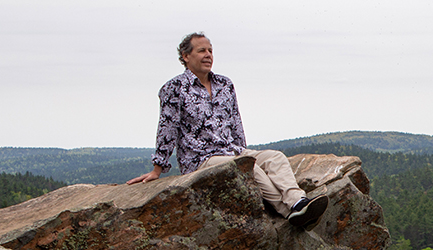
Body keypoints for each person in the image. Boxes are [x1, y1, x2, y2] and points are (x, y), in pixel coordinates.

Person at [127, 32, 328, 230]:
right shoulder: (175, 88)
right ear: (186, 56)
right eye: (201, 50)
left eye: (210, 50)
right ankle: (289, 212)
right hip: (200, 159)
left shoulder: (224, 84)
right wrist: (157, 169)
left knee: (274, 157)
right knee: (248, 168)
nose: (208, 55)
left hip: (231, 150)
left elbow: (235, 122)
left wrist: (245, 151)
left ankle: (299, 202)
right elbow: (167, 127)